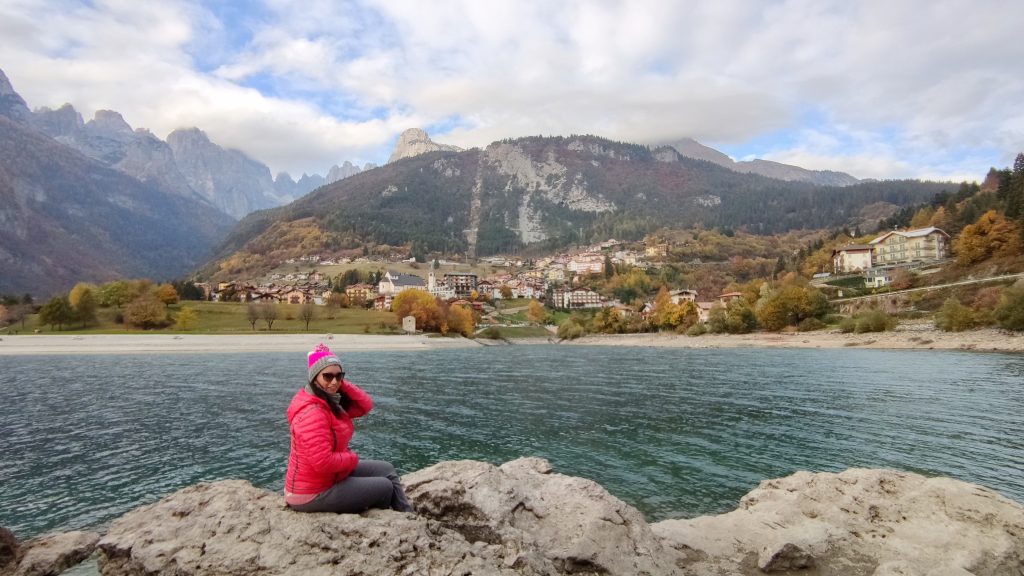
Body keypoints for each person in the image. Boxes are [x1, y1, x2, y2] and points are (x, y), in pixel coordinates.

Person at [284, 343, 413, 513]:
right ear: (314, 377)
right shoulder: (312, 412)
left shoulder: (328, 401)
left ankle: (407, 514)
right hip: (311, 493)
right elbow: (323, 462)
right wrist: (351, 458)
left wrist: (338, 384)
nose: (334, 381)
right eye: (328, 376)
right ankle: (387, 521)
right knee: (385, 487)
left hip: (331, 478)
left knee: (386, 469)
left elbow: (364, 406)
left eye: (339, 376)